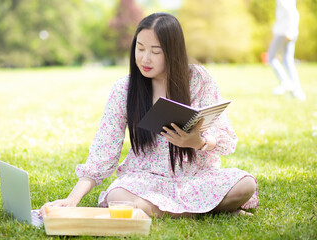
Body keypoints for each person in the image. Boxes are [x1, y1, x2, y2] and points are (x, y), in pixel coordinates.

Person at [41, 12, 259, 217]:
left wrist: (199, 142)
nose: (145, 58)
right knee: (118, 197)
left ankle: (180, 209)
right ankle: (205, 209)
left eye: (155, 51)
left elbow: (226, 138)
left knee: (246, 183)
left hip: (195, 177)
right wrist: (72, 199)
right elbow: (103, 150)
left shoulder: (199, 79)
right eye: (140, 48)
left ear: (173, 52)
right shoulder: (124, 90)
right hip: (145, 180)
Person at [268, 0, 306, 101]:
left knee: (271, 57)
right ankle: (297, 91)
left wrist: (290, 31)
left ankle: (285, 82)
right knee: (288, 60)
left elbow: (292, 13)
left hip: (284, 32)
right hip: (288, 31)